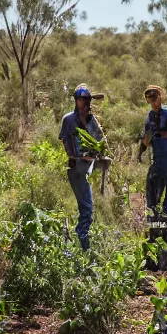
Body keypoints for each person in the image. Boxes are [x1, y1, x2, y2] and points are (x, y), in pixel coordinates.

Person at [58, 85, 104, 251]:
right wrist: (76, 155)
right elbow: (64, 140)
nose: (81, 103)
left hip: (87, 167)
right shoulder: (69, 119)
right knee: (86, 209)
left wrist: (97, 154)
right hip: (76, 168)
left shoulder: (92, 121)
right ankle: (82, 243)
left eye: (83, 100)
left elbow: (100, 141)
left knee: (87, 209)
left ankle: (80, 242)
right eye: (78, 100)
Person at [139, 85, 167, 217]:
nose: (152, 100)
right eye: (149, 98)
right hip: (158, 159)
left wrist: (160, 134)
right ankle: (155, 218)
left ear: (160, 97)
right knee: (153, 188)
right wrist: (140, 152)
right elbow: (146, 137)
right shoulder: (151, 116)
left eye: (154, 97)